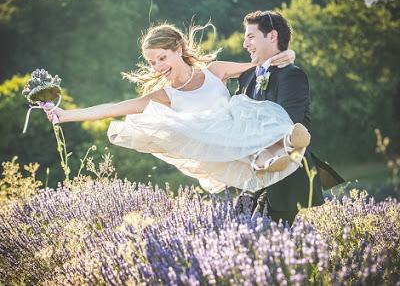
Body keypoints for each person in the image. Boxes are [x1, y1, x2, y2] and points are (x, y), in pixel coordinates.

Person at [46, 23, 311, 194]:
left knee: (249, 111)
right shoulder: (166, 96)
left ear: (179, 50)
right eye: (152, 62)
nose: (158, 66)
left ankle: (285, 143)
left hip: (237, 127)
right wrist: (67, 114)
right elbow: (115, 107)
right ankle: (269, 158)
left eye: (163, 57)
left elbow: (260, 66)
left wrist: (289, 56)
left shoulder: (215, 71)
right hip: (214, 146)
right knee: (226, 141)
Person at [234, 11, 344, 225]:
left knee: (275, 247)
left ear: (272, 36)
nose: (245, 43)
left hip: (284, 180)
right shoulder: (248, 76)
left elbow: (286, 125)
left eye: (251, 36)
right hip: (252, 180)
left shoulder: (291, 76)